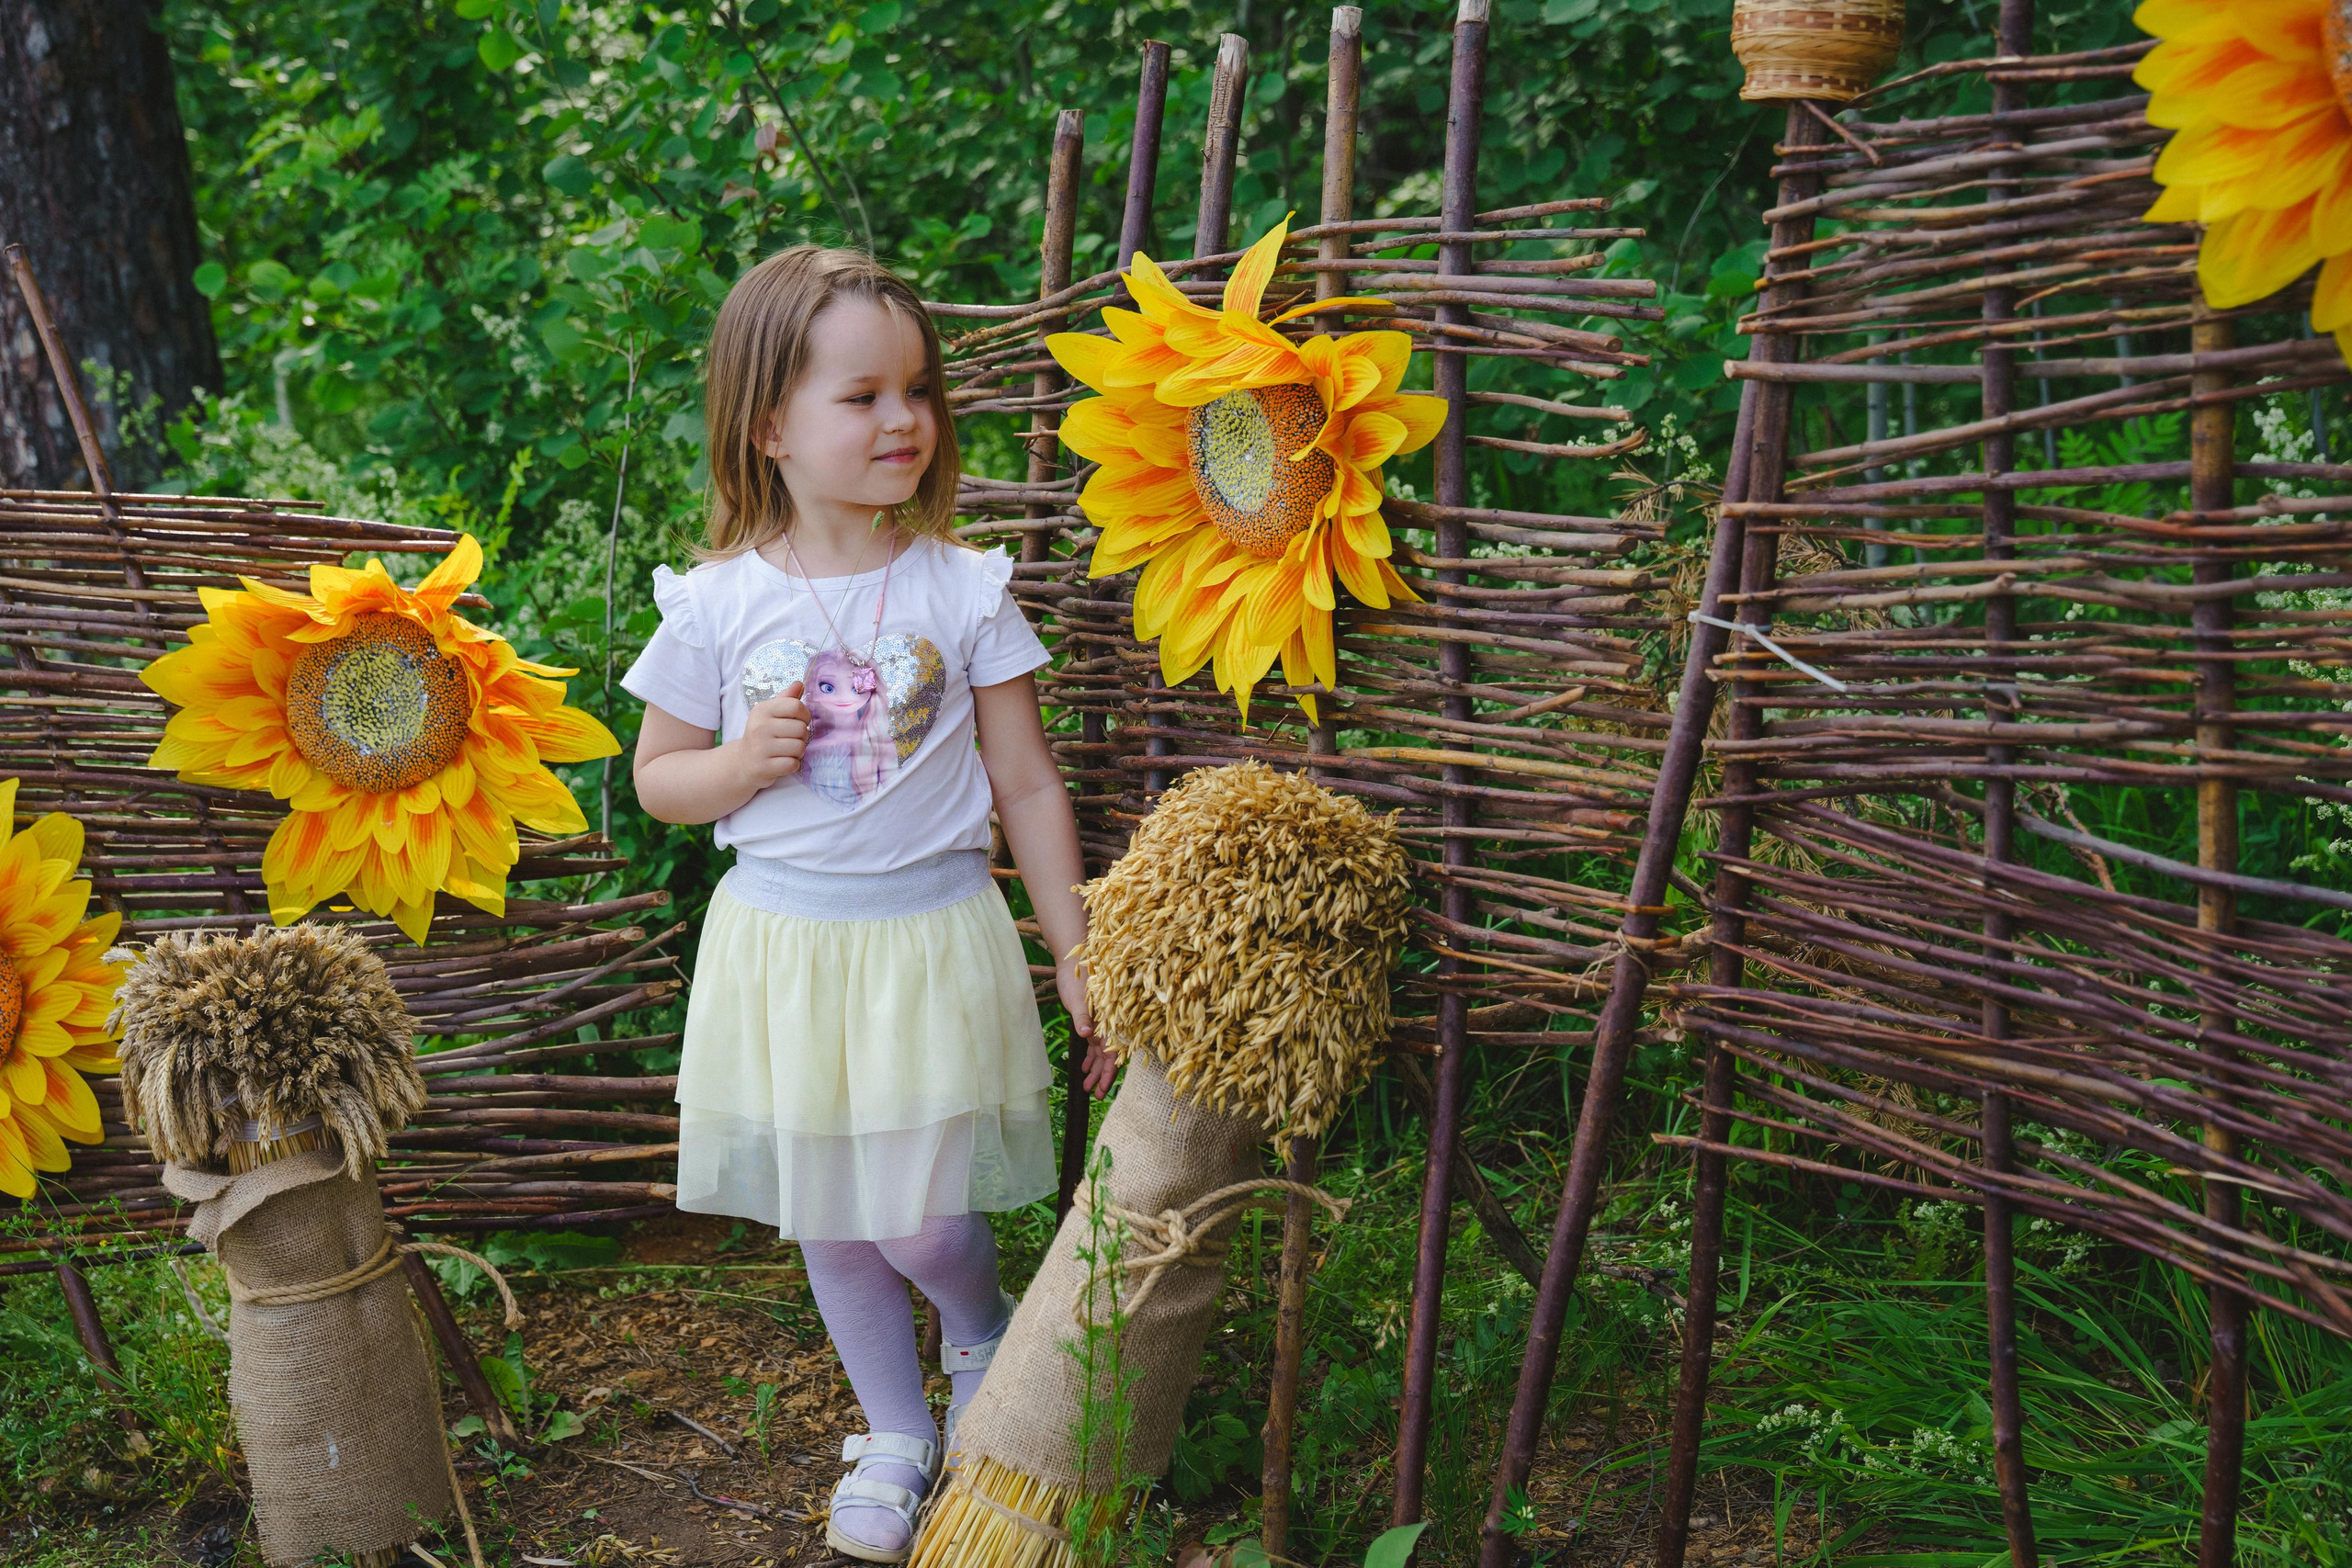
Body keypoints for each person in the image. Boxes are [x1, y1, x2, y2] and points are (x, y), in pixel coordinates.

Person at [622, 244, 1116, 1563]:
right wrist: (737, 765)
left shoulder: (964, 587)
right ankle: (893, 1429)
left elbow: (1026, 781)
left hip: (928, 932)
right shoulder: (716, 605)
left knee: (923, 1215)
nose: (904, 420)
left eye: (917, 391)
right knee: (830, 1217)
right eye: (863, 397)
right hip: (785, 941)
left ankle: (978, 1331)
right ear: (769, 425)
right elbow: (659, 778)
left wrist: (1076, 950)